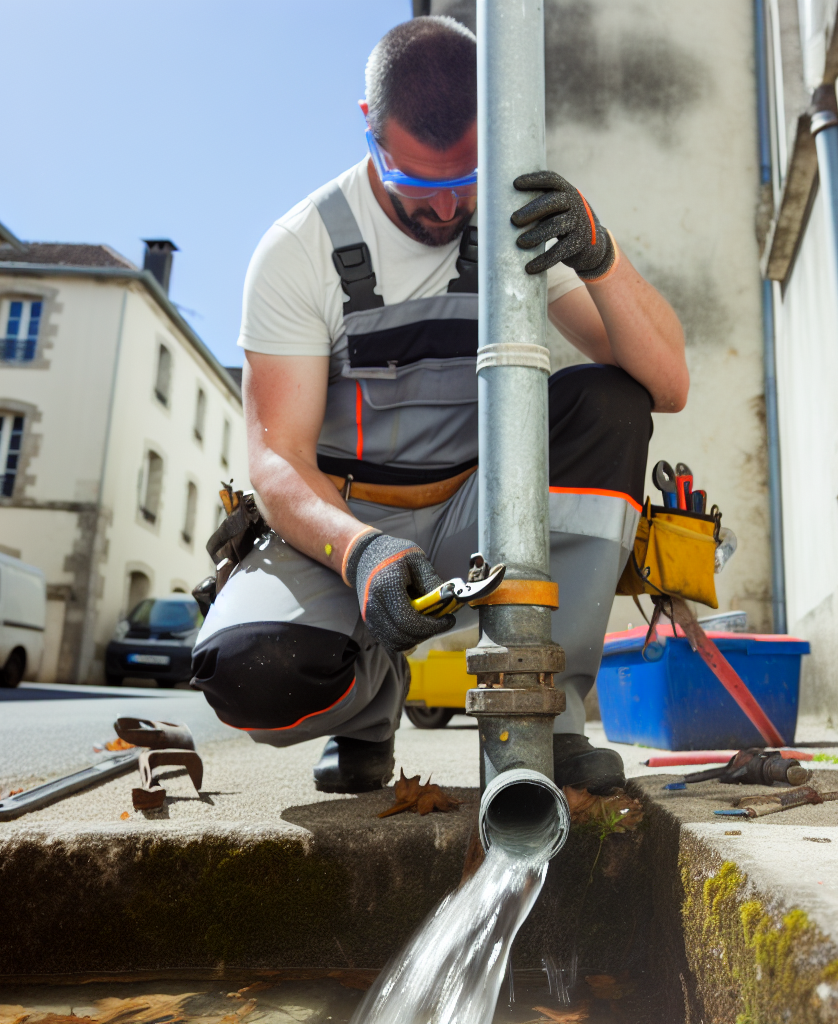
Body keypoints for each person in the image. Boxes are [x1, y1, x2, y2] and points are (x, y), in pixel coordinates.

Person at [191, 16, 688, 795]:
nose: (450, 206)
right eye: (420, 182)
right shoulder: (299, 251)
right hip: (341, 525)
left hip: (478, 518)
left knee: (611, 402)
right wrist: (363, 555)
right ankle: (370, 704)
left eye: (468, 175)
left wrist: (602, 257)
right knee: (255, 677)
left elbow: (668, 385)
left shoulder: (517, 224)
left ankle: (544, 710)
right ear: (368, 128)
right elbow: (276, 461)